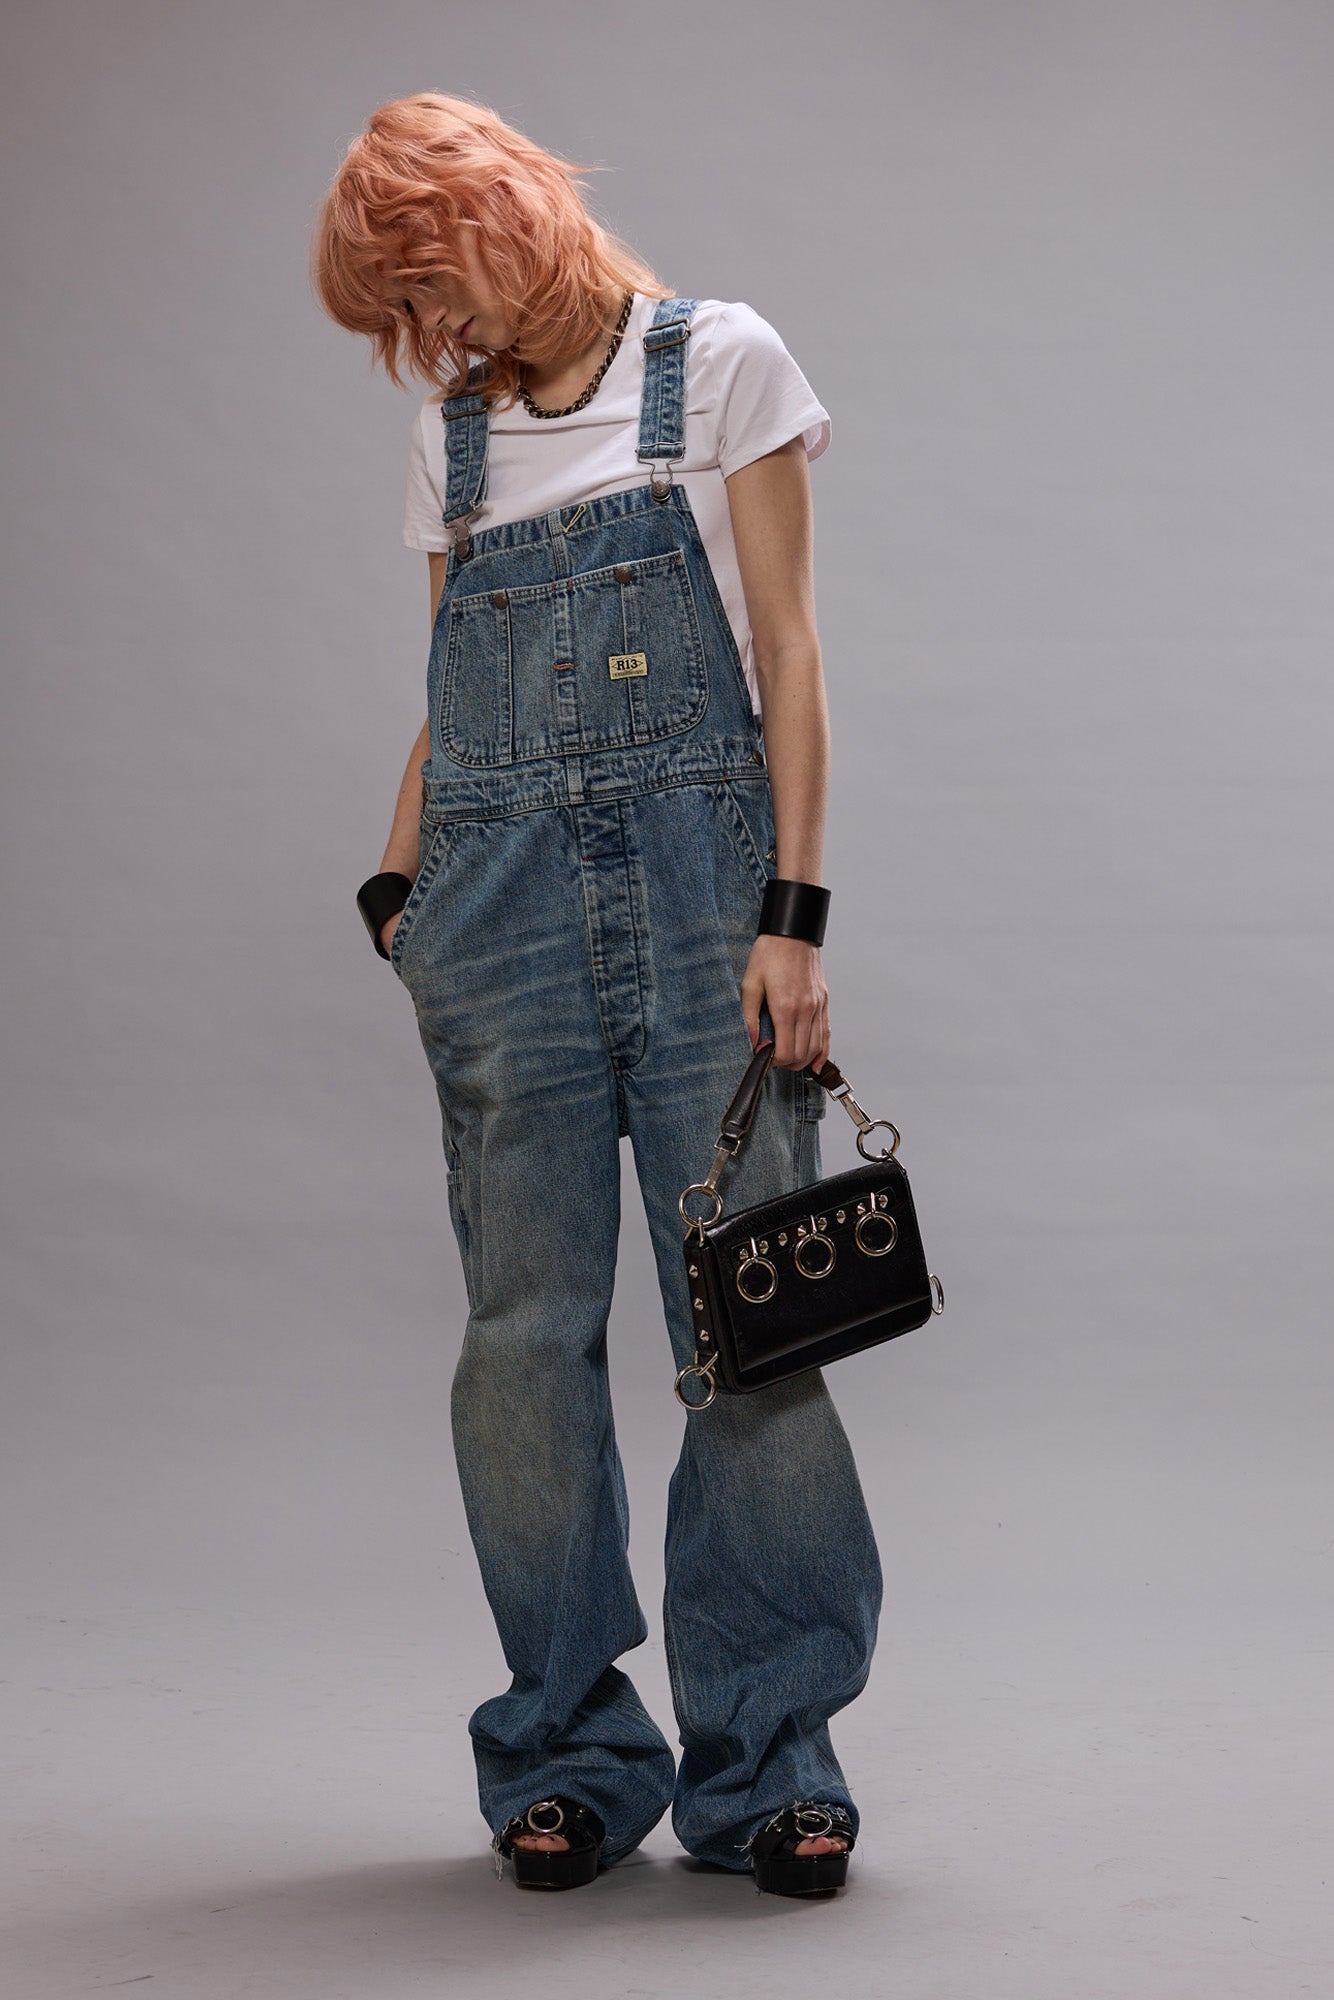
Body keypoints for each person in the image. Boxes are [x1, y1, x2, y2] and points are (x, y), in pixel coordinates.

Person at [311, 91, 883, 1898]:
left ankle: (769, 1763)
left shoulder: (719, 365)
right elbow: (452, 697)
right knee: (520, 1346)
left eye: (432, 280)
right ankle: (564, 1750)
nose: (432, 328)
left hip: (710, 900)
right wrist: (395, 886)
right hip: (496, 916)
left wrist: (793, 917)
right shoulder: (452, 438)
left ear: (508, 211)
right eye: (404, 308)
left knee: (751, 1332)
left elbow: (787, 652)